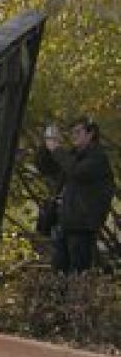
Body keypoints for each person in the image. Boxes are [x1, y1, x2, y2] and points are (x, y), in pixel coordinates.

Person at [35, 117, 115, 274]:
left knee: (78, 272)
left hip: (83, 225)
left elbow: (78, 172)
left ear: (90, 134)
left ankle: (78, 291)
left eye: (78, 132)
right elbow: (45, 167)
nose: (73, 136)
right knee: (59, 271)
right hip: (63, 222)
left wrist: (57, 150)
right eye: (72, 133)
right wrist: (47, 143)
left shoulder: (97, 157)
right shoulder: (72, 156)